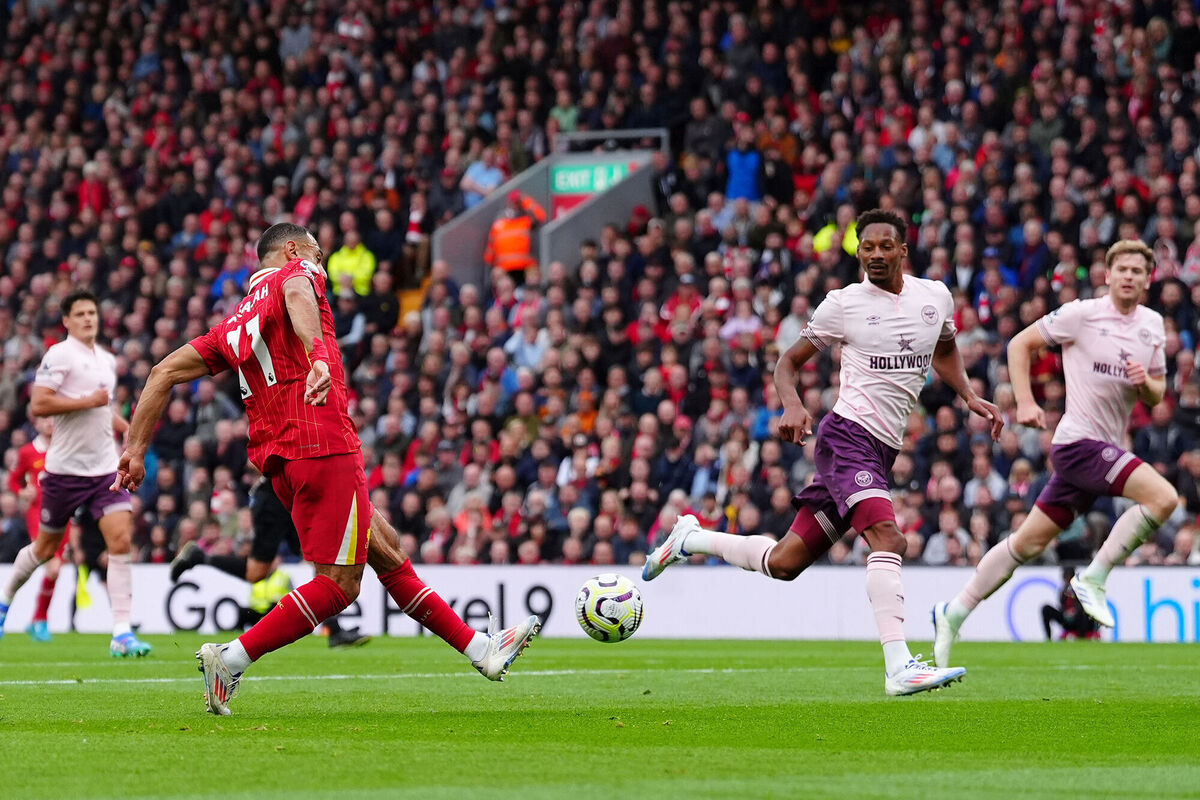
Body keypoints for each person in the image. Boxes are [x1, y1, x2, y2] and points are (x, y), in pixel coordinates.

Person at [114, 223, 540, 715]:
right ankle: (230, 659)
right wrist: (318, 356)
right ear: (293, 248)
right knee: (340, 585)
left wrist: (135, 449)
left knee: (385, 548)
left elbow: (161, 372)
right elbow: (297, 288)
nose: (322, 262)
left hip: (281, 465)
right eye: (317, 250)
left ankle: (482, 651)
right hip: (322, 443)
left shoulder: (232, 324)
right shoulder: (297, 272)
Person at [643, 209, 1003, 696]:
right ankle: (898, 666)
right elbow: (788, 363)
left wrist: (966, 394)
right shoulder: (843, 304)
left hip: (881, 450)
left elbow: (942, 347)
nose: (874, 254)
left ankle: (691, 539)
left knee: (785, 563)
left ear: (902, 250)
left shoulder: (934, 296)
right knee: (889, 540)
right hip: (847, 438)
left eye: (883, 246)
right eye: (865, 246)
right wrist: (792, 405)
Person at [933, 239, 1178, 667]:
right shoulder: (1081, 314)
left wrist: (1145, 384)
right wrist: (1025, 402)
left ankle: (952, 612)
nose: (1129, 277)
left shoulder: (1152, 325)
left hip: (1104, 449)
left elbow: (1157, 394)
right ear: (1107, 275)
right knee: (1163, 498)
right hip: (1078, 444)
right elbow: (1019, 345)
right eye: (1122, 269)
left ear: (1148, 280)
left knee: (1026, 544)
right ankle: (1095, 578)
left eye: (1138, 272)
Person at [0, 291, 149, 657]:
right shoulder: (59, 355)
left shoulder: (107, 360)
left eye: (92, 312)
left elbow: (102, 408)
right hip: (64, 471)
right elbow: (40, 403)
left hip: (103, 469)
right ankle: (5, 601)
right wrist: (88, 402)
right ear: (66, 320)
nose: (88, 319)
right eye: (80, 313)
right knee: (46, 549)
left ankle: (121, 632)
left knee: (120, 540)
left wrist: (123, 426)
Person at [171, 478, 371, 648]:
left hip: (293, 495)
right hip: (276, 497)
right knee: (256, 572)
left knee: (317, 559)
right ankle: (200, 557)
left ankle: (334, 631)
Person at [7, 415, 68, 642]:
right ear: (36, 424)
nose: (50, 423)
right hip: (38, 514)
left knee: (55, 569)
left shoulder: (66, 447)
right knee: (52, 567)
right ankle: (37, 618)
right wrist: (23, 492)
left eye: (53, 419)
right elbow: (13, 480)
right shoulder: (27, 452)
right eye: (45, 420)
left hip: (65, 513)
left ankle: (37, 619)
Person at [483, 190, 547, 280]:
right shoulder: (499, 223)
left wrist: (526, 200)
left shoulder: (526, 220)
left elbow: (541, 216)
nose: (514, 205)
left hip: (525, 266)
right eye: (513, 202)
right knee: (497, 275)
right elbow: (490, 248)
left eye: (517, 202)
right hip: (504, 268)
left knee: (534, 275)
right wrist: (488, 266)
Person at [1041, 567, 1101, 641]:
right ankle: (1048, 638)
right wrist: (1065, 612)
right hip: (1068, 620)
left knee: (1085, 610)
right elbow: (1062, 606)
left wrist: (1075, 610)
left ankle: (1082, 636)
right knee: (1046, 609)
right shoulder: (1063, 590)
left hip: (1081, 620)